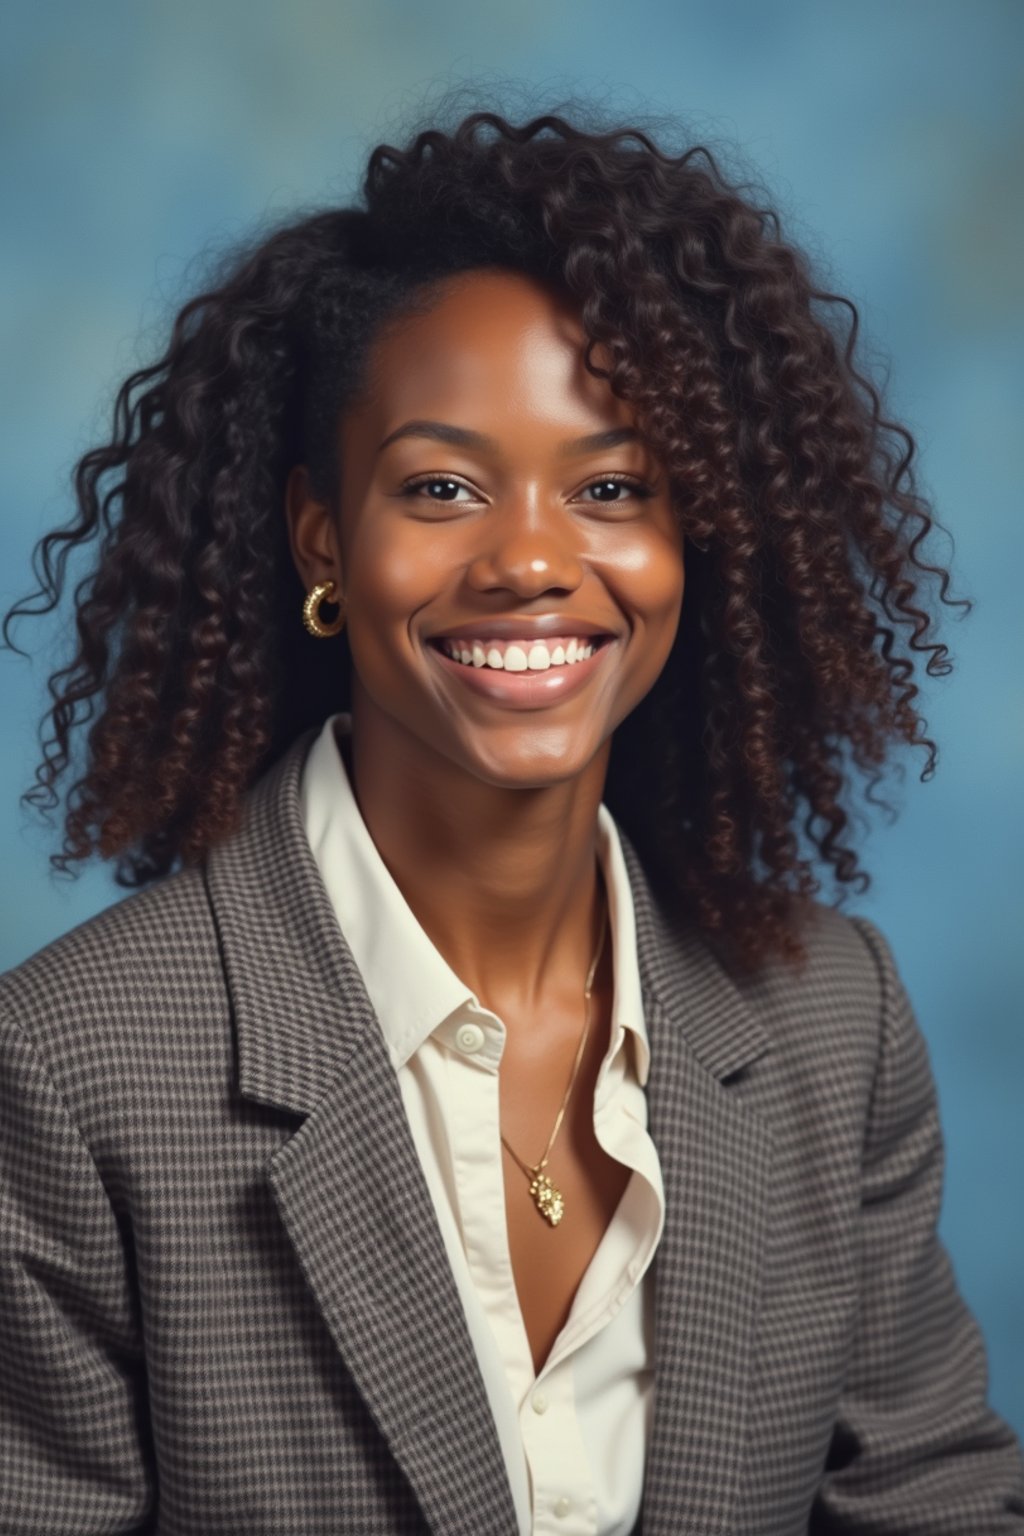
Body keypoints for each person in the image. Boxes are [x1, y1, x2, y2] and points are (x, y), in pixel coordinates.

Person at [1, 107, 1021, 1536]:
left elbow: (935, 1500)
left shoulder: (830, 1023)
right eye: (442, 488)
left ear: (693, 535)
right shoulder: (70, 1072)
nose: (536, 558)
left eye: (611, 488)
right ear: (320, 537)